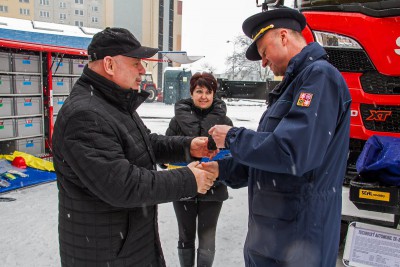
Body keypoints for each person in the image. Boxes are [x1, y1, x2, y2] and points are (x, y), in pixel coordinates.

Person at [52, 27, 218, 267]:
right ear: (109, 65)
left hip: (126, 246)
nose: (143, 70)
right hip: (107, 255)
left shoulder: (110, 103)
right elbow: (123, 184)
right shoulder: (85, 115)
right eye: (136, 63)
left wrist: (188, 146)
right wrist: (189, 180)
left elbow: (143, 144)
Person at [201, 8, 352, 267]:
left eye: (263, 53)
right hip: (273, 238)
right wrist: (219, 168)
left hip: (298, 241)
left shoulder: (319, 77)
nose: (263, 62)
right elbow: (267, 160)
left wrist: (233, 137)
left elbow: (294, 153)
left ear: (283, 37)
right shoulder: (293, 85)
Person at [165, 72, 233, 267]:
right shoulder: (177, 121)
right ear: (191, 92)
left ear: (214, 94)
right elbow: (167, 148)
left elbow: (231, 155)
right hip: (183, 186)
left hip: (214, 188)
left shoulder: (225, 122)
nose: (203, 96)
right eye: (199, 91)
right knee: (185, 235)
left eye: (208, 92)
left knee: (207, 237)